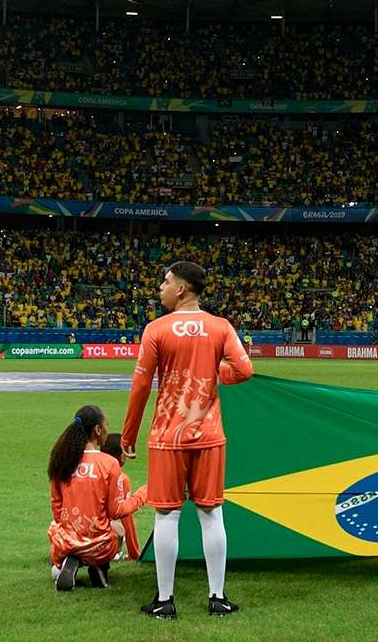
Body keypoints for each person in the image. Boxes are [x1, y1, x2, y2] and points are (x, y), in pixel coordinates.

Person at [120, 261, 252, 619]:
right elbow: (244, 369)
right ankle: (217, 597)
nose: (159, 288)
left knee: (166, 516)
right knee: (212, 515)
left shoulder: (156, 330)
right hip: (209, 435)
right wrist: (213, 374)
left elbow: (141, 386)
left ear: (181, 288)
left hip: (168, 436)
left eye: (165, 282)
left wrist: (128, 433)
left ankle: (165, 601)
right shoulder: (220, 326)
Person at [48, 405, 148, 592]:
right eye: (106, 426)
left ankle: (67, 563)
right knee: (117, 530)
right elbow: (117, 510)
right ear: (97, 430)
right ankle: (99, 567)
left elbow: (57, 507)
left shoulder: (61, 459)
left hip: (65, 543)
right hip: (100, 546)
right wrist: (144, 494)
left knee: (54, 527)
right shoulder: (109, 463)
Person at [101, 433, 143, 565]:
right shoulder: (121, 478)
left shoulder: (89, 468)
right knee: (119, 530)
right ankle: (110, 553)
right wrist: (134, 553)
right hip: (97, 530)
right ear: (122, 456)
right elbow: (127, 516)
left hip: (72, 527)